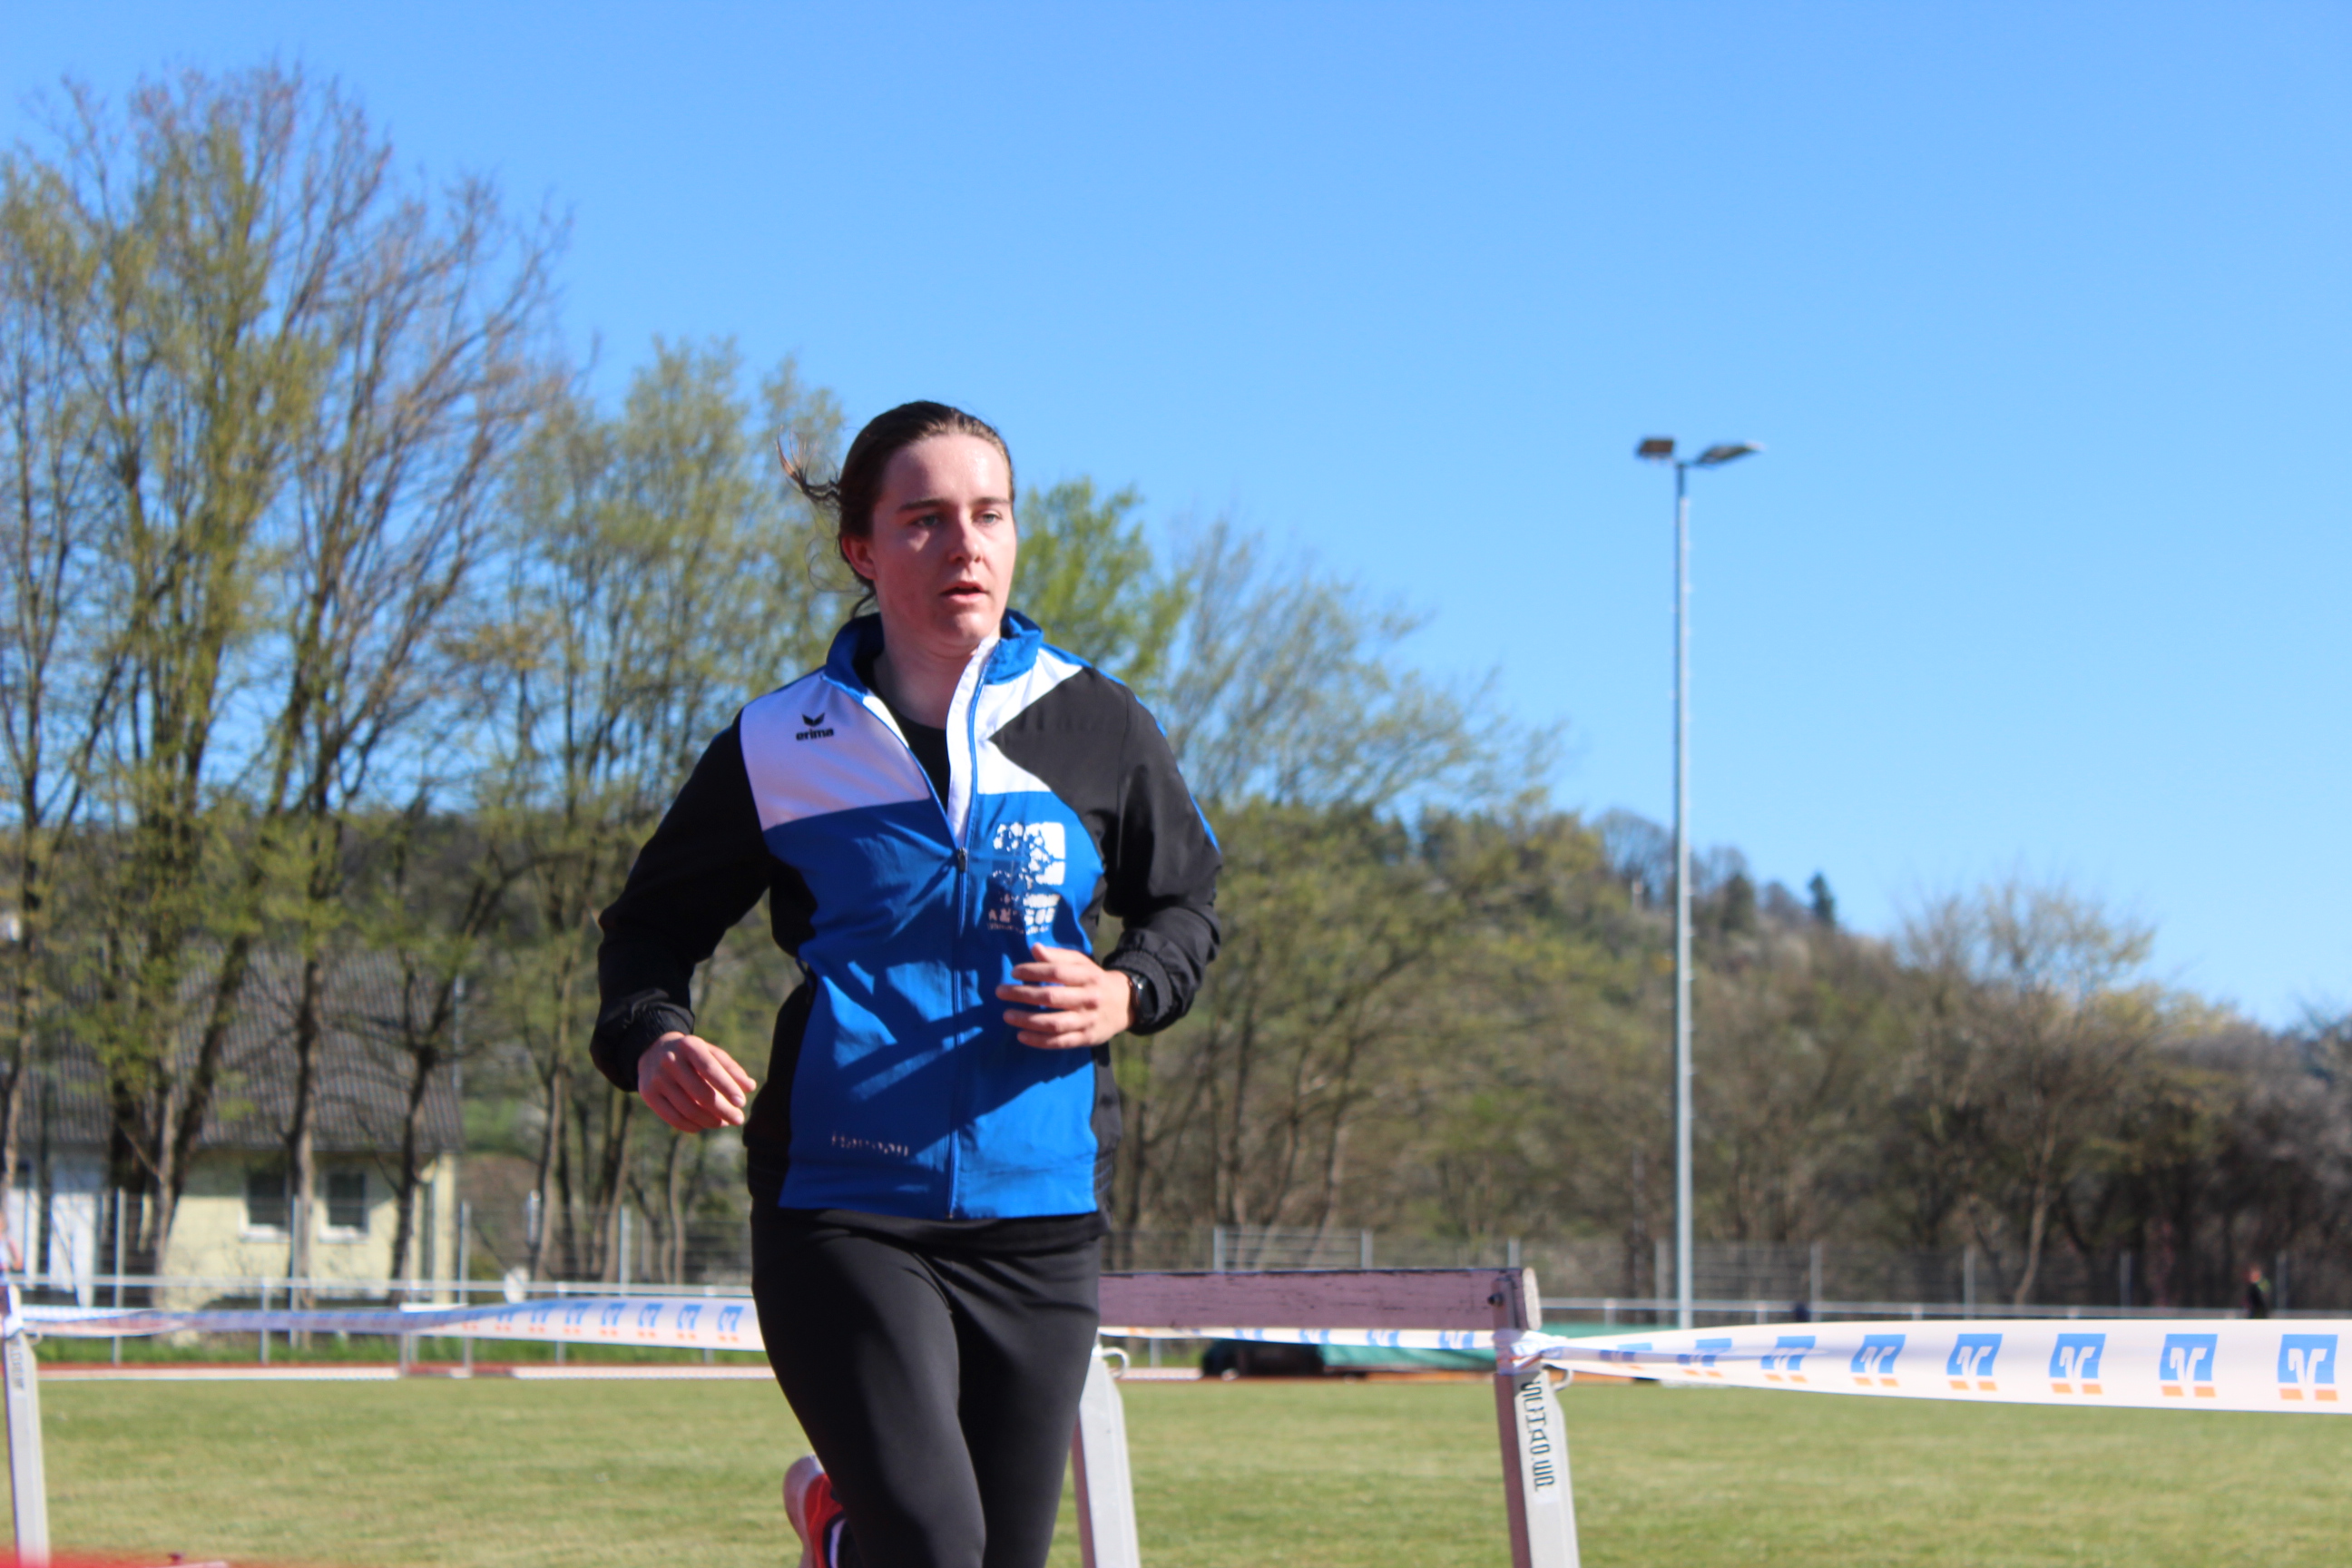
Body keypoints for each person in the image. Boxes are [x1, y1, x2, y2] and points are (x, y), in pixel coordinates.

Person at [589, 401, 1220, 1568]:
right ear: (863, 552)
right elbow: (647, 932)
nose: (964, 545)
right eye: (924, 519)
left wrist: (1128, 991)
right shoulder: (779, 743)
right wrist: (651, 1036)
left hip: (1040, 1210)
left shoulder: (1097, 723)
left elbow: (1187, 908)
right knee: (933, 1542)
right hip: (841, 1201)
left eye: (990, 515)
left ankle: (838, 1535)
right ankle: (854, 1529)